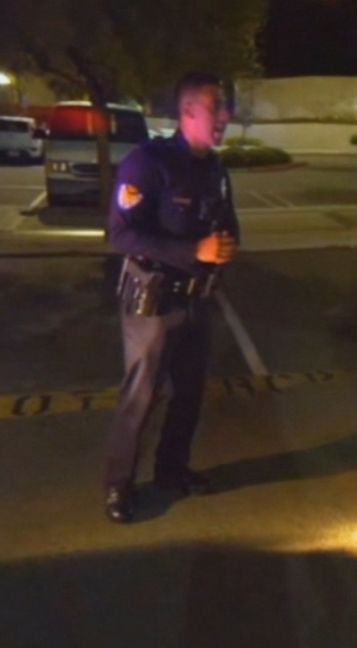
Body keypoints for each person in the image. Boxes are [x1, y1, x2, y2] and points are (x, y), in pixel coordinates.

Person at [102, 72, 239, 523]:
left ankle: (171, 471)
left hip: (197, 300)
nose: (226, 116)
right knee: (141, 396)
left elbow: (227, 223)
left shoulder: (215, 169)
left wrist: (227, 245)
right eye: (216, 106)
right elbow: (120, 234)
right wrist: (190, 251)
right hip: (153, 301)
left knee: (190, 394)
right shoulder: (148, 163)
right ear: (187, 112)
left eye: (225, 107)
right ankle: (118, 487)